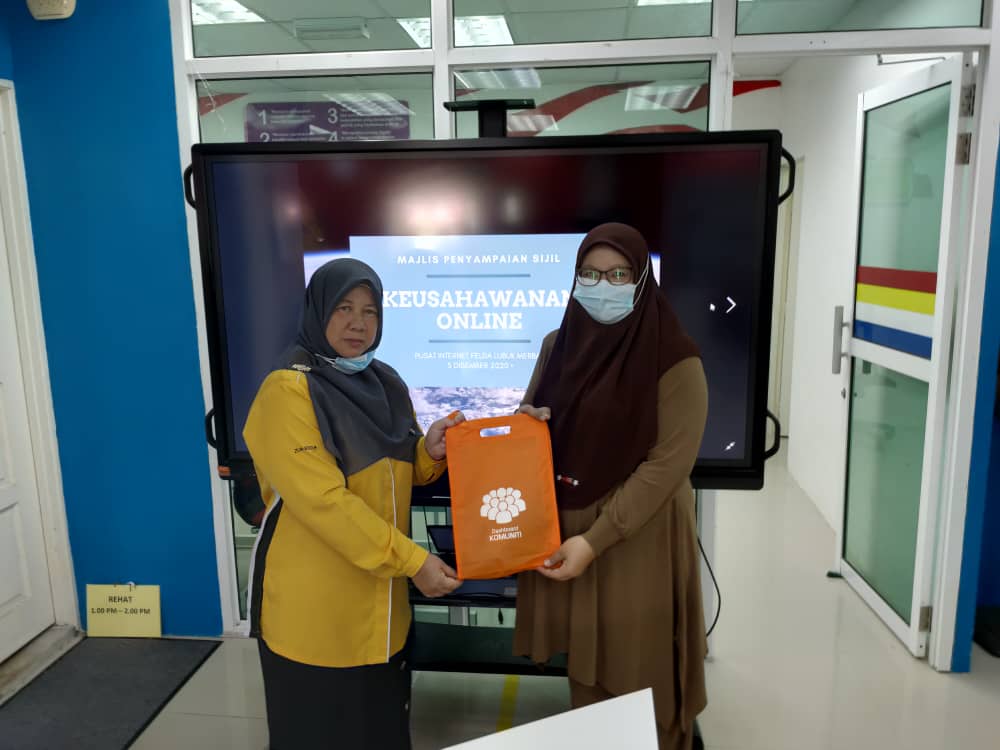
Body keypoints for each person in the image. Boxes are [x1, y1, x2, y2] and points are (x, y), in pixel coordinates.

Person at [243, 258, 464, 750]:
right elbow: (325, 502)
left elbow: (393, 473)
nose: (358, 323)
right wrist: (414, 562)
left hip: (383, 617)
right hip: (315, 621)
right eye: (343, 308)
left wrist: (428, 453)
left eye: (369, 311)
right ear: (318, 311)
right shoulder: (288, 389)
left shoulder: (387, 382)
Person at [516, 222, 708, 750]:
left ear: (642, 279)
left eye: (618, 274)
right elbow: (530, 415)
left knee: (640, 671)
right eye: (590, 274)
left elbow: (666, 466)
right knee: (587, 672)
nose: (603, 285)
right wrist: (526, 425)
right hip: (571, 534)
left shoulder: (675, 359)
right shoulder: (557, 345)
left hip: (636, 536)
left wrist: (595, 540)